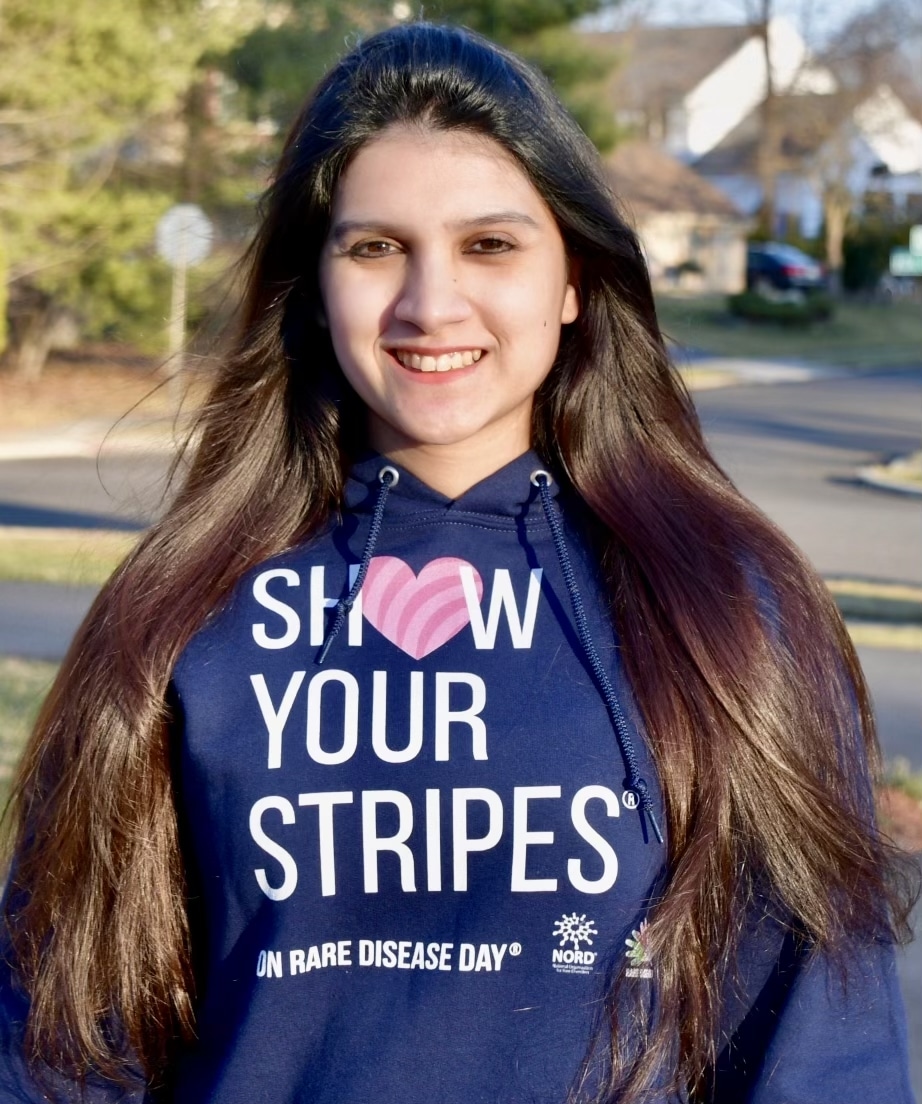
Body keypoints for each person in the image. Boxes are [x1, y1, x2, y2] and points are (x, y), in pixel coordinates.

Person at [0, 21, 916, 1104]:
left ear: (573, 279)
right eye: (374, 246)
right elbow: (62, 1039)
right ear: (315, 281)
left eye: (490, 246)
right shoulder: (186, 613)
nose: (430, 304)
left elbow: (824, 1042)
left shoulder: (726, 607)